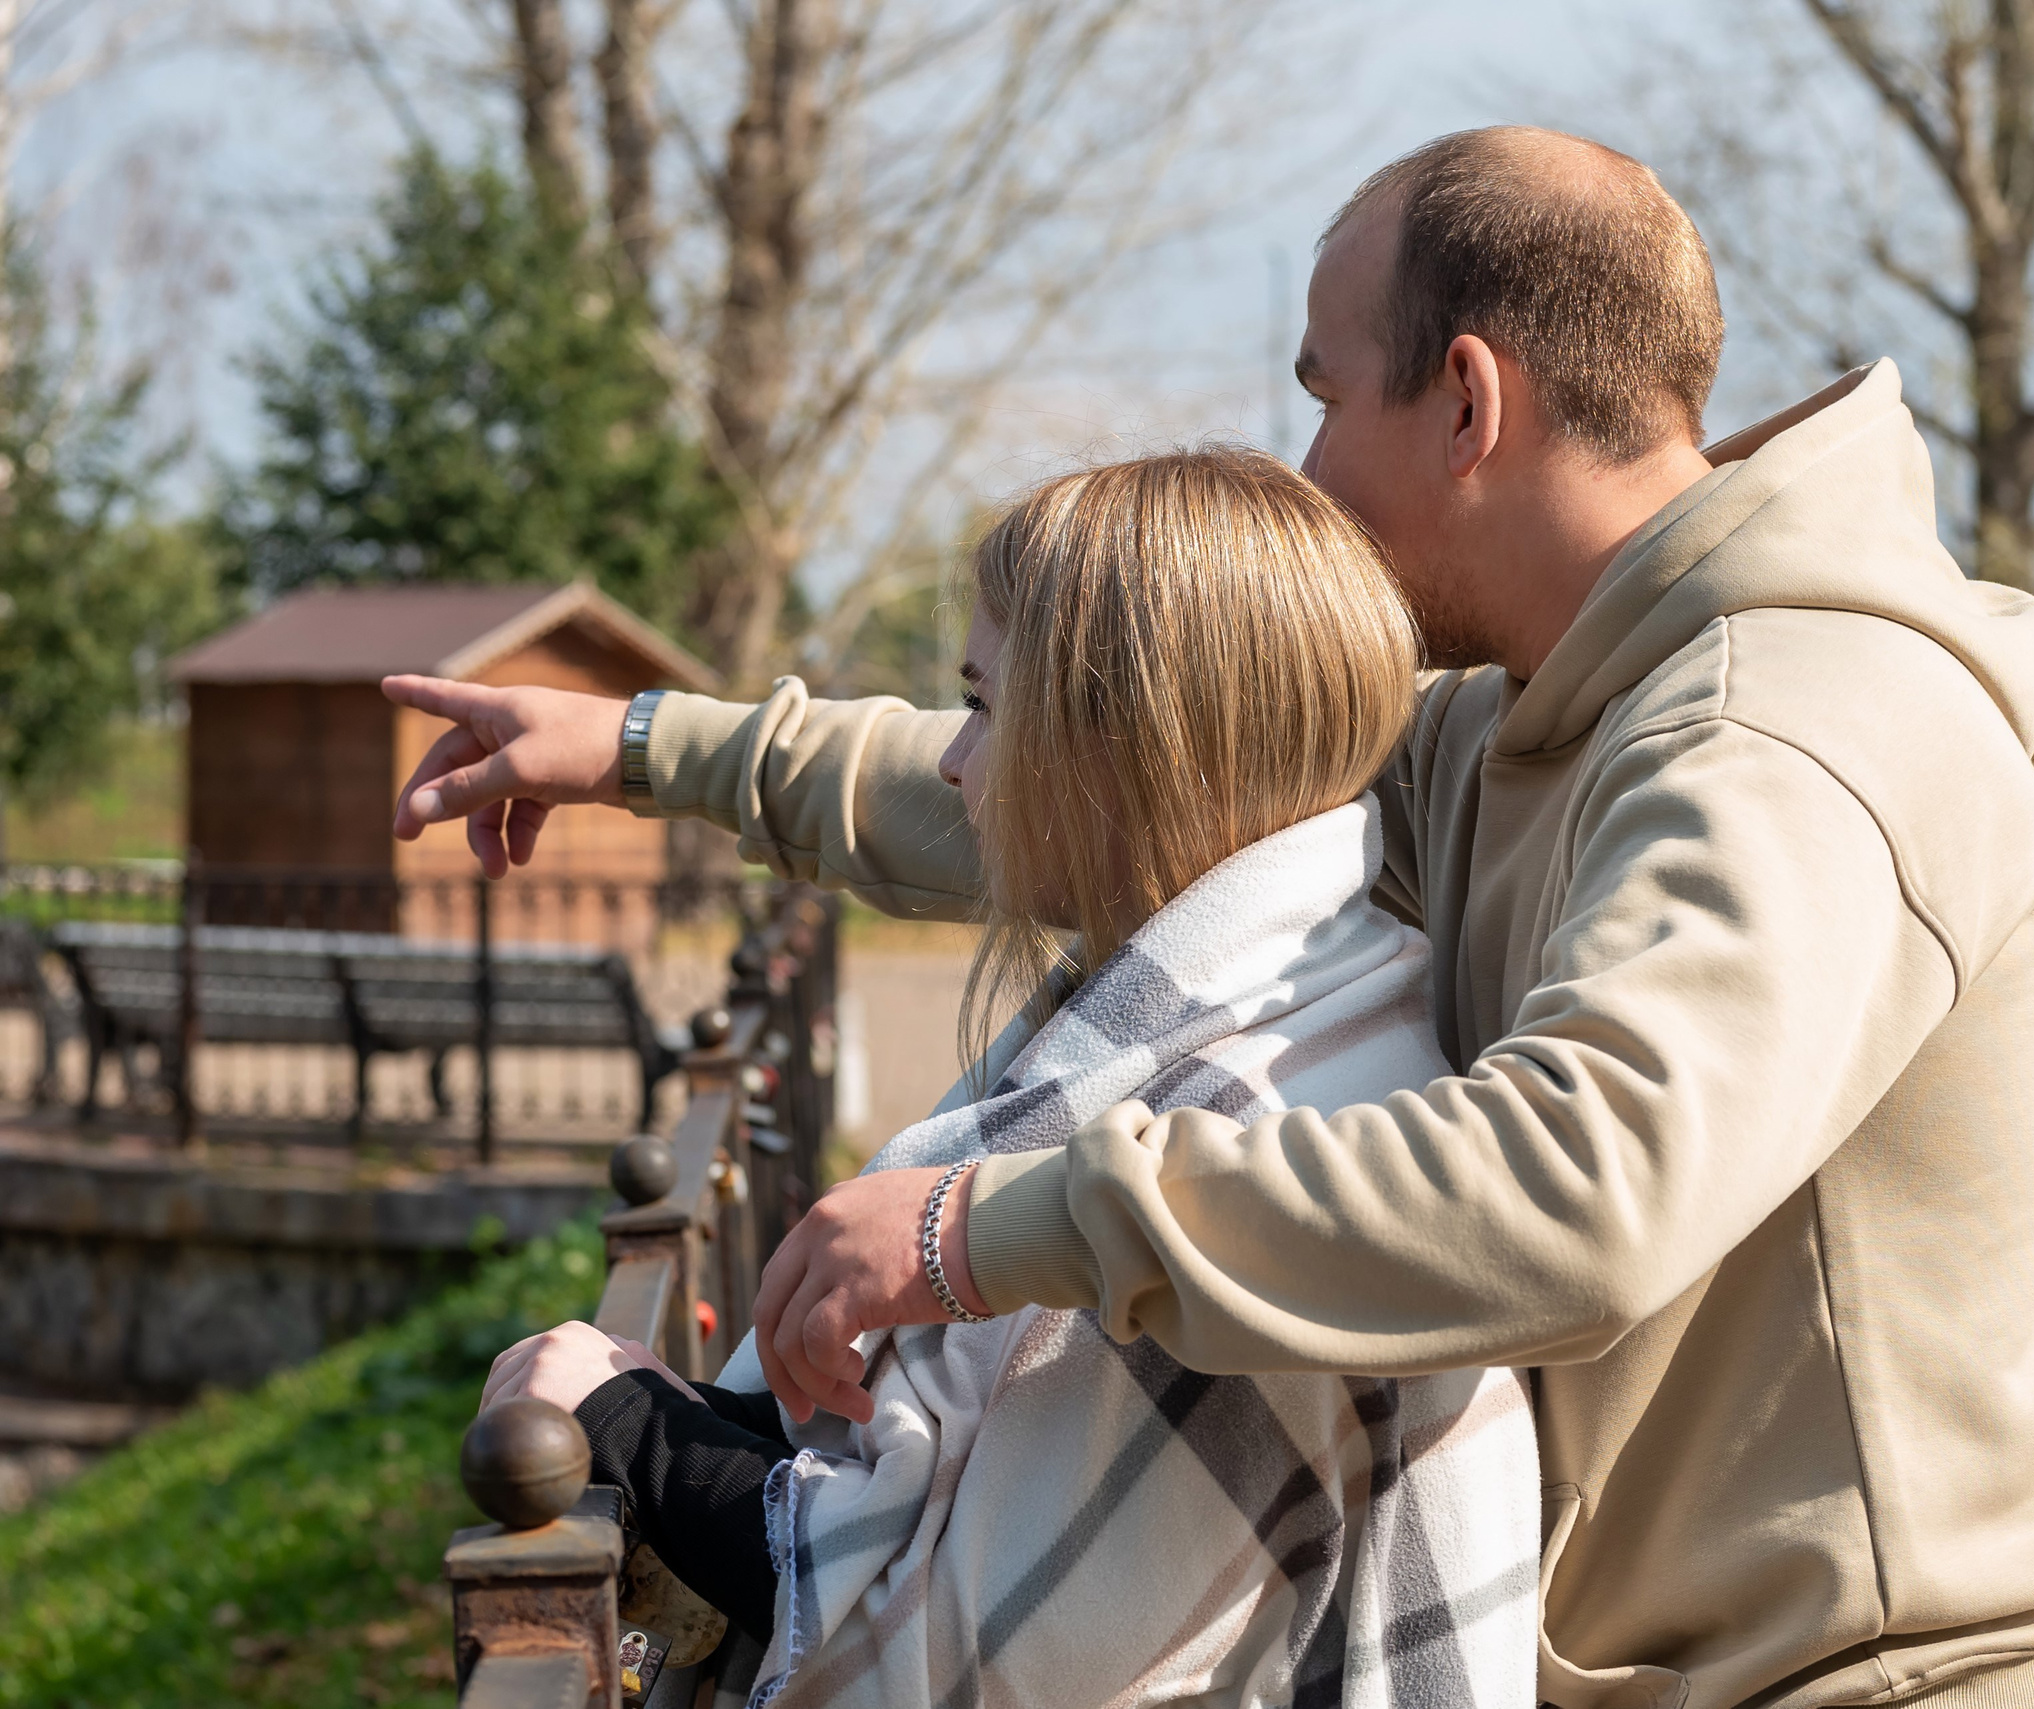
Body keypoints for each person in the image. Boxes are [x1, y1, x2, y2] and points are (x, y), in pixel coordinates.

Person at [395, 128, 2034, 1707]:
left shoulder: (1791, 729)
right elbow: (1110, 781)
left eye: (1327, 396)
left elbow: (1584, 1182)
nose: (1306, 470)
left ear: (1467, 400)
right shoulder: (1539, 710)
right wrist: (654, 745)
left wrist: (981, 1226)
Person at [467, 449, 1542, 1707]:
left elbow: (977, 1655)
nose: (953, 762)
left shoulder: (1229, 1110)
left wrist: (634, 1427)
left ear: (1119, 750)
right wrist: (677, 1409)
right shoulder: (1309, 1007)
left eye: (981, 704)